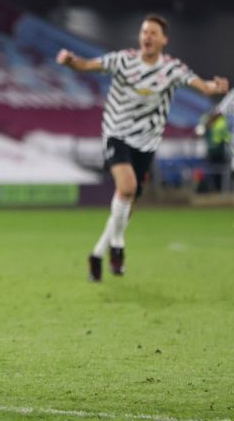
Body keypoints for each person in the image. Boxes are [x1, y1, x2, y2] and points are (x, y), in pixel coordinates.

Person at [56, 14, 229, 282]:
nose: (147, 36)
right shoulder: (124, 60)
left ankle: (97, 254)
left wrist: (212, 86)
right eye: (144, 31)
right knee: (127, 188)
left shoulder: (172, 69)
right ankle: (118, 246)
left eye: (153, 33)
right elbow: (88, 64)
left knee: (128, 206)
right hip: (116, 135)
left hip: (146, 144)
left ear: (164, 40)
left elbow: (200, 85)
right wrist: (70, 61)